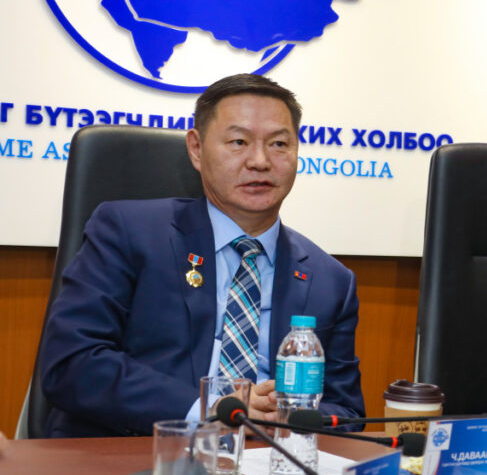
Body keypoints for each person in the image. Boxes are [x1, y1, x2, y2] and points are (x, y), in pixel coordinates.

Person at [39, 74, 365, 437]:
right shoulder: (127, 232)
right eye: (239, 142)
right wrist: (210, 409)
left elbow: (346, 411)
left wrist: (287, 415)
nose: (260, 161)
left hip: (269, 458)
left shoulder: (330, 281)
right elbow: (73, 363)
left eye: (278, 144)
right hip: (139, 450)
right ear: (196, 149)